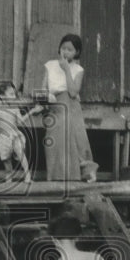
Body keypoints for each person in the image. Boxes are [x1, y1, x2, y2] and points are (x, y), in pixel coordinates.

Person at [41, 34, 98, 182]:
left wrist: (67, 70)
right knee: (54, 136)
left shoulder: (78, 69)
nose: (65, 52)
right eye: (63, 48)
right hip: (54, 104)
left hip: (71, 105)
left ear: (77, 52)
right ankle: (56, 177)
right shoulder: (50, 65)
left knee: (73, 133)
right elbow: (43, 89)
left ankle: (83, 172)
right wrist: (47, 97)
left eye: (70, 50)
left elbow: (73, 92)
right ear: (59, 49)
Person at [0, 82, 42, 183]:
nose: (14, 96)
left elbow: (20, 121)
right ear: (2, 97)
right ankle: (9, 176)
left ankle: (27, 175)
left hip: (15, 135)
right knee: (6, 159)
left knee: (21, 154)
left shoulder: (15, 108)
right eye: (11, 94)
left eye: (14, 94)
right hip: (3, 138)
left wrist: (32, 111)